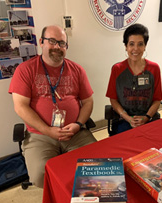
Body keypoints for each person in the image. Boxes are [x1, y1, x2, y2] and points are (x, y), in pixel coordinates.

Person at [9, 25, 97, 188]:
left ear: (66, 47)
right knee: (40, 174)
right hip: (40, 135)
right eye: (52, 41)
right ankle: (58, 198)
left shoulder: (77, 70)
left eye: (61, 43)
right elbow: (20, 106)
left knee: (97, 164)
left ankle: (82, 196)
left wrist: (78, 125)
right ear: (41, 42)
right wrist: (46, 130)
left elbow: (88, 102)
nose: (57, 47)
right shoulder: (25, 70)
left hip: (74, 133)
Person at [106, 23, 162, 134]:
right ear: (126, 46)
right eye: (131, 44)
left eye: (140, 44)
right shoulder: (117, 69)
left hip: (149, 118)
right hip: (124, 120)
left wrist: (146, 117)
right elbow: (113, 99)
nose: (135, 49)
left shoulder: (154, 69)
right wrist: (128, 118)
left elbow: (157, 99)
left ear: (145, 46)